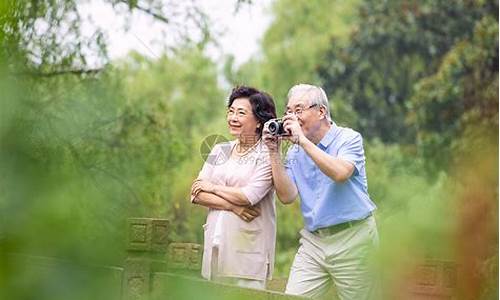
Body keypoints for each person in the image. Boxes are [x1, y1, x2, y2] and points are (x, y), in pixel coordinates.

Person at [263, 84, 379, 299]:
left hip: (353, 238)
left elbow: (341, 173)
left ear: (321, 111)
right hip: (313, 243)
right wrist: (273, 153)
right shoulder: (294, 152)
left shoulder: (348, 138)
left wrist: (303, 141)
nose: (291, 117)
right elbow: (287, 196)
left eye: (299, 110)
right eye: (288, 111)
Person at [190, 85, 277, 290]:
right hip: (215, 249)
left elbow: (248, 197)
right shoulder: (220, 149)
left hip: (247, 256)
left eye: (241, 113)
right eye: (231, 111)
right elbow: (196, 194)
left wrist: (211, 187)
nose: (233, 117)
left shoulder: (267, 154)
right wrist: (233, 207)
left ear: (258, 122)